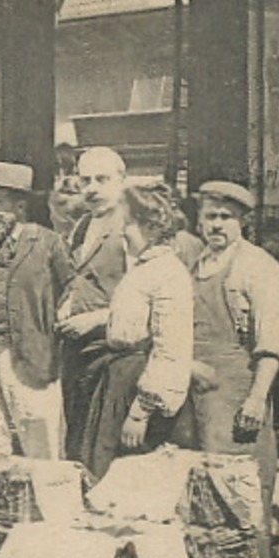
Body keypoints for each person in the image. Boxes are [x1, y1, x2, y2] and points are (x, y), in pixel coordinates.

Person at [173, 181, 279, 546]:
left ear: (242, 222)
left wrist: (256, 399)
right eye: (210, 216)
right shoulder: (194, 266)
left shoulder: (258, 266)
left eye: (226, 217)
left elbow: (272, 341)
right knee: (197, 484)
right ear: (198, 221)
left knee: (241, 488)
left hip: (238, 393)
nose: (217, 225)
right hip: (194, 393)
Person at [0, 161, 75, 460]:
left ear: (19, 207)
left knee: (41, 442)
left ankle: (50, 504)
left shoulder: (48, 243)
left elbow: (74, 287)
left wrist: (62, 316)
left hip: (31, 356)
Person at [77, 182, 194, 480]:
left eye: (128, 224)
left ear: (152, 227)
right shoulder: (144, 268)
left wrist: (141, 412)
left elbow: (171, 349)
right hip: (118, 381)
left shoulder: (168, 273)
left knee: (129, 476)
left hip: (137, 387)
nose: (122, 232)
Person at [55, 146, 131, 458]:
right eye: (86, 180)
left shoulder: (131, 227)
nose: (92, 188)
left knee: (102, 445)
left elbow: (152, 294)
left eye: (102, 179)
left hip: (113, 352)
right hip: (77, 351)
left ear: (122, 180)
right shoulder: (83, 226)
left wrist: (98, 317)